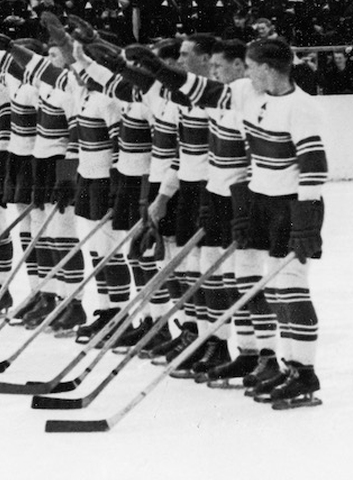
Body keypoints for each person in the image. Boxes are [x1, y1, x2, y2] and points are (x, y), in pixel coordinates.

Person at [129, 38, 327, 408]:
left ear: (268, 69)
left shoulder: (302, 108)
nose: (246, 72)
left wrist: (304, 222)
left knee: (289, 288)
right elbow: (201, 89)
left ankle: (303, 371)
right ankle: (269, 358)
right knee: (253, 283)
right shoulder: (247, 93)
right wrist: (156, 70)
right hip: (256, 200)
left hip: (290, 207)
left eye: (250, 66)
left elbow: (314, 169)